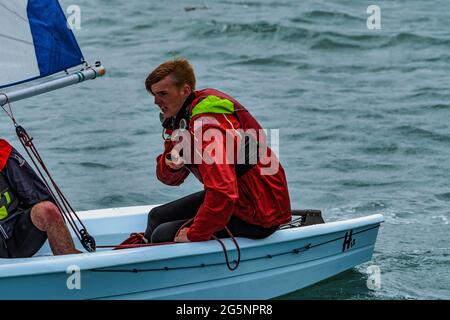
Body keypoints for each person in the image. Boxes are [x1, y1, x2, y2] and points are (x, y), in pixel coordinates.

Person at [144, 58, 291, 243]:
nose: (156, 102)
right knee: (155, 217)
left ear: (185, 91)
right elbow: (170, 179)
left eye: (163, 94)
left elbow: (223, 193)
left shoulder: (206, 126)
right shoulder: (181, 119)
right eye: (154, 95)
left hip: (260, 210)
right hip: (237, 196)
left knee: (163, 235)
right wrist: (171, 167)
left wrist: (194, 234)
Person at [0, 139, 80, 258]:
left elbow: (36, 196)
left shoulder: (2, 152)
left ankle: (73, 266)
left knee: (47, 210)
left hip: (15, 236)